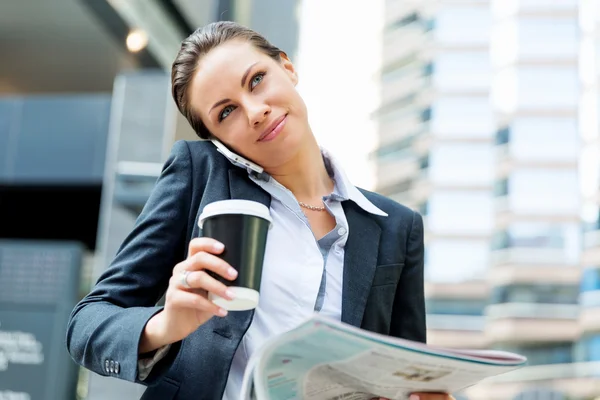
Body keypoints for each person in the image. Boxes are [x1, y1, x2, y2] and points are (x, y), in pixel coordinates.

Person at [65, 21, 455, 400]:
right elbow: (87, 324)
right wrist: (164, 325)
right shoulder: (199, 174)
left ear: (287, 67)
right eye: (226, 112)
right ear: (217, 139)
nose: (254, 111)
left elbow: (404, 370)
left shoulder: (397, 227)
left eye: (256, 80)